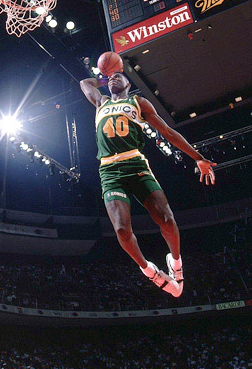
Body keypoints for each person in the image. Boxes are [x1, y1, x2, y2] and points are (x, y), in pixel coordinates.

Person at [80, 72, 216, 296]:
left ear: (128, 84)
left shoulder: (137, 102)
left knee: (166, 219)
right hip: (109, 170)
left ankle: (176, 263)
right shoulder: (101, 102)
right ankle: (149, 270)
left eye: (118, 76)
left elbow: (168, 132)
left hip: (135, 164)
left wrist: (198, 157)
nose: (113, 78)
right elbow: (85, 83)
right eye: (110, 77)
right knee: (122, 230)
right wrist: (105, 79)